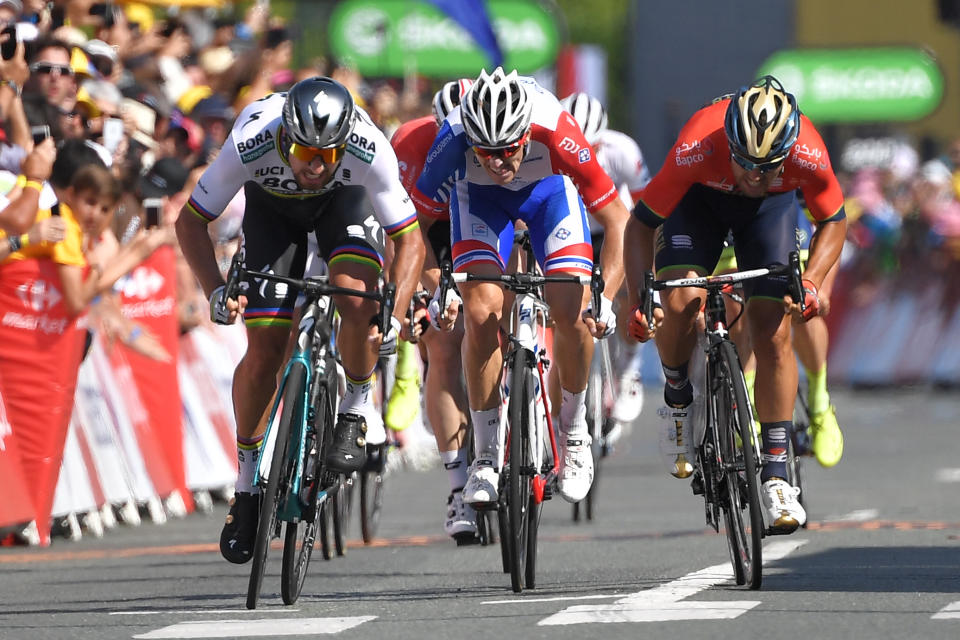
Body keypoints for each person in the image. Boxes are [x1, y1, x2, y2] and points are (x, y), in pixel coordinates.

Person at [175, 76, 425, 564]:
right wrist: (215, 290)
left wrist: (391, 317)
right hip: (273, 215)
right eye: (303, 150)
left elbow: (410, 240)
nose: (313, 164)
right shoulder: (250, 140)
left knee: (357, 301)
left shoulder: (367, 147)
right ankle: (246, 490)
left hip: (344, 207)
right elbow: (190, 221)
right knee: (266, 348)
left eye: (326, 155)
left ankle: (352, 413)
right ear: (284, 136)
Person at [625, 76, 847, 533]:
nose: (754, 175)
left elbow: (834, 220)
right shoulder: (697, 144)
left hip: (769, 213)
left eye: (767, 167)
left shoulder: (808, 150)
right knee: (684, 299)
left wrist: (811, 281)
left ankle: (777, 471)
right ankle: (678, 399)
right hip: (697, 204)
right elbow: (640, 225)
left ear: (787, 153)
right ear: (729, 142)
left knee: (773, 328)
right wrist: (641, 297)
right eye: (746, 163)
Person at [412, 67, 630, 507]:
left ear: (527, 133)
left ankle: (573, 432)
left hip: (549, 196)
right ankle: (486, 457)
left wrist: (605, 299)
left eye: (508, 150)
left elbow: (619, 221)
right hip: (481, 203)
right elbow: (414, 225)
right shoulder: (453, 135)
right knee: (480, 312)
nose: (497, 162)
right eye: (485, 151)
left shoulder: (556, 126)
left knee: (573, 309)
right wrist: (438, 289)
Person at [392, 78, 477, 543]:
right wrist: (422, 295)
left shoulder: (501, 141)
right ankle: (459, 485)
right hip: (428, 234)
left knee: (493, 324)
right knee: (442, 346)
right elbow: (404, 238)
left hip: (488, 221)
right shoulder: (409, 142)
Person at [560, 91, 651, 431]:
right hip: (573, 231)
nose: (584, 158)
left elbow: (646, 210)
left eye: (592, 150)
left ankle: (629, 365)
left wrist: (648, 269)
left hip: (616, 227)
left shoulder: (622, 150)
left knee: (629, 290)